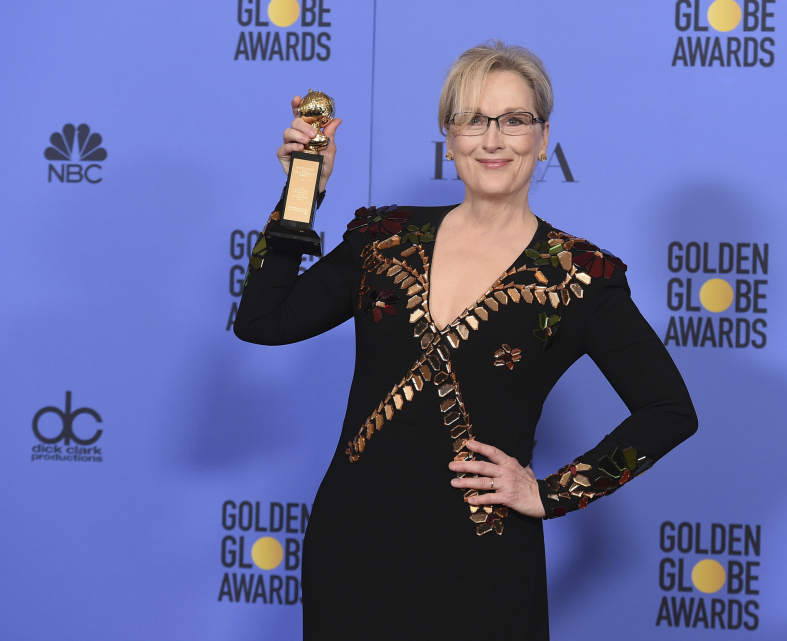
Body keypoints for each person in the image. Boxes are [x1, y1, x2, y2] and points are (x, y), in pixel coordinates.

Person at [234, 41, 697, 641]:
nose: (494, 139)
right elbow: (263, 322)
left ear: (544, 137)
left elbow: (670, 411)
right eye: (473, 120)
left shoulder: (579, 277)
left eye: (514, 120)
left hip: (482, 564)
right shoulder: (384, 239)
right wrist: (303, 194)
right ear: (449, 138)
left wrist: (551, 492)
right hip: (352, 547)